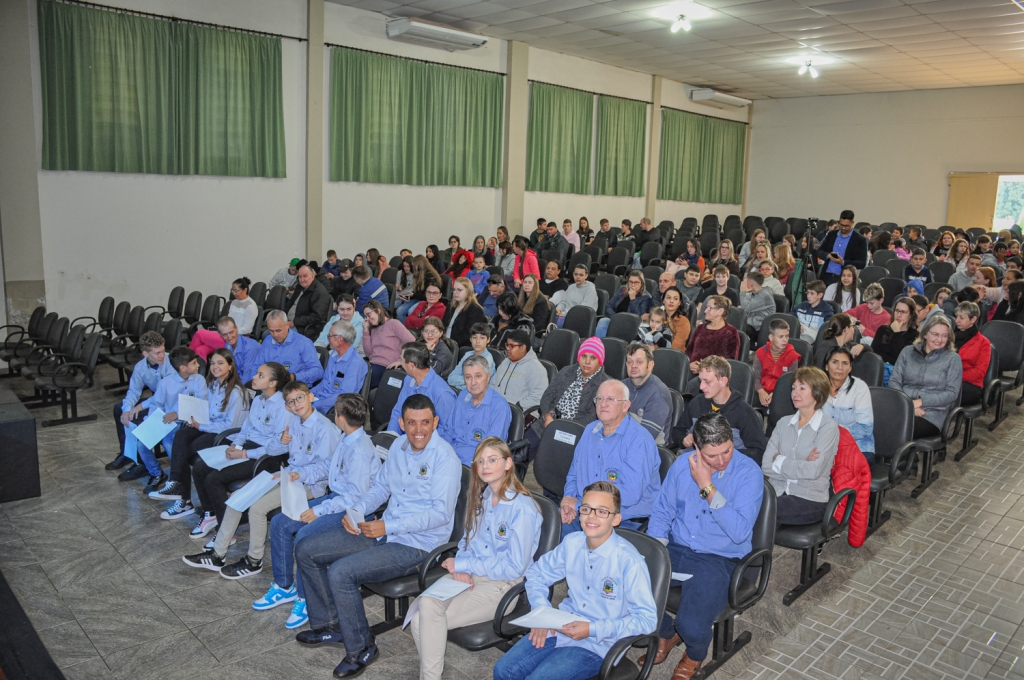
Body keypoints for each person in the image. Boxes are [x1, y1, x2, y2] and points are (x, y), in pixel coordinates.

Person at [293, 395, 461, 679]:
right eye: (411, 423)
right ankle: (330, 625)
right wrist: (357, 511)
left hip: (418, 545)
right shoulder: (398, 446)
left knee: (341, 572)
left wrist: (388, 525)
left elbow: (440, 514)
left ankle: (362, 648)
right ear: (402, 423)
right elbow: (381, 488)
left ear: (435, 422)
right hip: (385, 531)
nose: (418, 430)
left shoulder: (445, 458)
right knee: (306, 549)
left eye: (425, 423)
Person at [492, 482, 657, 680]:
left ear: (616, 519)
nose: (592, 517)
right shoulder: (573, 543)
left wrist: (592, 629)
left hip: (597, 643)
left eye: (602, 511)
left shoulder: (629, 561)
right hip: (560, 626)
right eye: (586, 509)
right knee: (503, 671)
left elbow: (647, 620)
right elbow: (537, 574)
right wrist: (542, 613)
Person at [643, 413, 764, 680]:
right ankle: (666, 632)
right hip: (678, 547)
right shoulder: (680, 465)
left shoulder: (749, 473)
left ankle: (695, 653)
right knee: (630, 584)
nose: (721, 461)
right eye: (712, 456)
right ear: (696, 448)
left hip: (720, 557)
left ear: (732, 442)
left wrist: (707, 487)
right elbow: (662, 511)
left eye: (727, 451)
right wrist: (657, 552)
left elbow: (739, 532)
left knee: (691, 623)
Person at [409, 437, 542, 680]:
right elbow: (467, 540)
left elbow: (514, 567)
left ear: (508, 464)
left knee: (423, 622)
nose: (485, 466)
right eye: (480, 461)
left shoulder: (522, 508)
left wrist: (466, 564)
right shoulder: (483, 498)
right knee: (424, 610)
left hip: (502, 584)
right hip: (471, 573)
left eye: (492, 460)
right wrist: (463, 565)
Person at [183, 380, 340, 577]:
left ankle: (254, 561)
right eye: (291, 402)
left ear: (310, 397)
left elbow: (326, 468)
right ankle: (217, 554)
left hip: (309, 484)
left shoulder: (324, 429)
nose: (296, 404)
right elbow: (272, 450)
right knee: (237, 499)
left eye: (300, 398)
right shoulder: (294, 422)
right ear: (287, 406)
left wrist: (297, 475)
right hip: (288, 475)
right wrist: (280, 440)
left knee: (257, 509)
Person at [256, 394, 381, 630]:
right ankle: (284, 587)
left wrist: (320, 510)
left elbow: (355, 497)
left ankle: (306, 598)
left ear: (340, 418)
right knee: (281, 523)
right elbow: (327, 466)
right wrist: (301, 474)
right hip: (337, 500)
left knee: (305, 535)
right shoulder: (346, 438)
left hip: (350, 510)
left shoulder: (360, 451)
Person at [188, 362, 291, 541]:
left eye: (260, 375)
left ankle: (226, 532)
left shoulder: (282, 407)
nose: (254, 377)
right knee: (199, 468)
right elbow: (245, 429)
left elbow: (278, 446)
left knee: (214, 479)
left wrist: (244, 454)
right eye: (256, 373)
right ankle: (210, 514)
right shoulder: (258, 399)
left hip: (267, 457)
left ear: (273, 383)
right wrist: (236, 445)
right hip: (248, 448)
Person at [150, 349, 251, 518]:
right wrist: (194, 419)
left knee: (186, 450)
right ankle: (174, 483)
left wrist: (201, 425)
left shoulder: (236, 392)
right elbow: (205, 410)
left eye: (220, 363)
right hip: (209, 427)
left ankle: (184, 500)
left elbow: (228, 426)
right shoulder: (213, 385)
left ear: (230, 366)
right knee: (181, 436)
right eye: (212, 363)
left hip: (226, 435)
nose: (215, 366)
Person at [561, 380, 661, 535]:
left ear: (626, 406)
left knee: (587, 545)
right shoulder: (589, 431)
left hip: (623, 520)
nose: (603, 404)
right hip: (584, 511)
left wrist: (581, 505)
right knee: (547, 526)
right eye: (599, 399)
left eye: (610, 399)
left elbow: (630, 494)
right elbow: (574, 474)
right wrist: (568, 499)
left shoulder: (639, 440)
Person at [763, 367, 840, 527]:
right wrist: (803, 462)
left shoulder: (828, 428)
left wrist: (779, 460)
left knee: (761, 510)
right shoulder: (783, 423)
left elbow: (813, 471)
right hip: (778, 490)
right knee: (744, 501)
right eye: (793, 388)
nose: (795, 393)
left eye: (802, 388)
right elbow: (766, 465)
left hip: (809, 497)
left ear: (817, 393)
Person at [121, 347, 207, 491]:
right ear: (183, 368)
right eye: (194, 363)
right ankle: (156, 473)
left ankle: (180, 476)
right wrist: (150, 422)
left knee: (169, 442)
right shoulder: (165, 383)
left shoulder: (199, 380)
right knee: (141, 444)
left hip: (187, 420)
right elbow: (156, 405)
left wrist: (178, 414)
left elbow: (201, 403)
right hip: (165, 421)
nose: (198, 365)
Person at [528, 338, 609, 466]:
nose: (587, 362)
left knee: (554, 463)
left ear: (600, 361)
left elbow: (592, 417)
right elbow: (547, 396)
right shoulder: (566, 371)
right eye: (584, 356)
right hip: (549, 422)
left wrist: (562, 427)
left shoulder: (604, 384)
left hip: (576, 432)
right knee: (523, 448)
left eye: (593, 358)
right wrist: (547, 416)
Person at [674, 355, 767, 464]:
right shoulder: (697, 403)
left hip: (726, 467)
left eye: (707, 382)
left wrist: (725, 454)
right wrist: (683, 439)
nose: (701, 387)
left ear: (723, 381)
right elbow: (677, 431)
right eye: (700, 381)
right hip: (694, 462)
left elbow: (759, 452)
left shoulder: (744, 412)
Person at [107, 330, 173, 472]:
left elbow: (166, 393)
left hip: (171, 403)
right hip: (156, 401)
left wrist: (140, 407)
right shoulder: (140, 367)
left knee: (138, 416)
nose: (162, 355)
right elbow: (134, 391)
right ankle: (126, 453)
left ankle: (142, 463)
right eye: (157, 353)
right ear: (145, 354)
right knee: (119, 408)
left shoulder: (171, 362)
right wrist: (127, 410)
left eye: (163, 351)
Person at [889, 315, 962, 439]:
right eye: (935, 334)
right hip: (902, 405)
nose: (939, 339)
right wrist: (909, 404)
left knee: (898, 427)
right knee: (877, 421)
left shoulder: (953, 359)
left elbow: (951, 393)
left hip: (931, 413)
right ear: (925, 334)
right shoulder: (907, 352)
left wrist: (920, 402)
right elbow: (894, 381)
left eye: (944, 336)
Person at [440, 355, 512, 465]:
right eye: (468, 377)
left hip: (475, 464)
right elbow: (448, 432)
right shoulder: (462, 396)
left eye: (478, 376)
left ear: (488, 377)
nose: (473, 382)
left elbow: (492, 449)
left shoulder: (499, 406)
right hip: (450, 458)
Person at [387, 342, 456, 434]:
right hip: (407, 436)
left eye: (402, 360)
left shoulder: (442, 393)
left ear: (411, 365)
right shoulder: (409, 379)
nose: (401, 363)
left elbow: (447, 430)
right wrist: (391, 435)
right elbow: (398, 411)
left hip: (427, 439)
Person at [822, 347, 875, 464]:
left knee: (836, 465)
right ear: (826, 366)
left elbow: (865, 428)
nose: (840, 367)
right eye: (835, 362)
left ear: (850, 368)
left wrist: (833, 432)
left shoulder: (860, 388)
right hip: (825, 445)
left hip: (858, 446)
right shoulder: (818, 387)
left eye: (845, 363)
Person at [311, 320, 367, 416]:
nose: (328, 339)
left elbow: (344, 396)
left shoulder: (355, 363)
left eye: (330, 336)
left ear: (340, 339)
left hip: (335, 408)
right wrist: (307, 393)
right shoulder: (333, 355)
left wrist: (316, 404)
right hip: (321, 400)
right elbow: (325, 382)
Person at [254, 310, 322, 384]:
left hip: (294, 385)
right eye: (271, 331)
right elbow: (257, 365)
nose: (275, 335)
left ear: (287, 325)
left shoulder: (303, 343)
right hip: (269, 384)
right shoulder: (268, 340)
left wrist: (294, 377)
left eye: (278, 330)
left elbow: (318, 371)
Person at [625, 343, 672, 445]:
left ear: (650, 365)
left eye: (639, 362)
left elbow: (644, 438)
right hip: (623, 442)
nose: (633, 366)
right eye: (629, 362)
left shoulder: (659, 394)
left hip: (650, 449)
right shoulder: (621, 387)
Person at [490, 328, 549, 411]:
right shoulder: (505, 362)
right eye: (507, 345)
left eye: (511, 346)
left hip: (520, 412)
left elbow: (539, 397)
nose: (507, 349)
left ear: (522, 348)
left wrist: (518, 406)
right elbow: (493, 384)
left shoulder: (536, 368)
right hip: (497, 408)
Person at [362, 301, 415, 388]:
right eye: (365, 316)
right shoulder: (373, 329)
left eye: (369, 315)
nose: (367, 319)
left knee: (362, 380)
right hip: (373, 365)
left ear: (378, 311)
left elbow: (411, 342)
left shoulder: (394, 323)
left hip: (387, 366)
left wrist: (401, 361)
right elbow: (369, 354)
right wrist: (366, 331)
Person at [754, 319, 801, 408]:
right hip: (761, 390)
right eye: (781, 337)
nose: (785, 340)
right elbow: (756, 377)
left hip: (781, 393)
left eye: (787, 336)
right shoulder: (760, 353)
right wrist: (761, 391)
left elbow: (790, 382)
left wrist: (775, 394)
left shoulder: (792, 356)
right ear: (771, 337)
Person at [686, 296, 741, 372]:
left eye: (709, 308)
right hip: (691, 370)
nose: (705, 311)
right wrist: (690, 364)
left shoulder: (730, 332)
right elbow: (689, 351)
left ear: (720, 311)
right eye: (706, 307)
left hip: (714, 374)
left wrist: (703, 369)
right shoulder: (700, 328)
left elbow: (729, 362)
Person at [872, 297, 919, 385]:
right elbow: (874, 353)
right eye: (897, 311)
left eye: (903, 312)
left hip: (897, 373)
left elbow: (902, 358)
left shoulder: (915, 336)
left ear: (910, 315)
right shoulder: (883, 330)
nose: (898, 315)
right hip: (879, 368)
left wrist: (897, 333)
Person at [954, 301, 991, 407]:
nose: (957, 320)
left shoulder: (983, 343)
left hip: (970, 384)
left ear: (973, 319)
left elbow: (979, 372)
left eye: (961, 318)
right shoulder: (949, 336)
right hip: (947, 380)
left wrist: (954, 376)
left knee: (947, 394)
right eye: (956, 317)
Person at [817, 210, 869, 287]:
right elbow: (819, 251)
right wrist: (828, 255)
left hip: (844, 279)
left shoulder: (860, 240)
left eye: (846, 226)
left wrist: (843, 262)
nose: (843, 228)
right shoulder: (832, 234)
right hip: (826, 276)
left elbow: (862, 263)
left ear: (852, 223)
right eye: (841, 225)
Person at [597, 270, 653, 337]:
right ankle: (598, 342)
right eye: (630, 282)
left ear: (642, 283)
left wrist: (633, 299)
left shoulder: (646, 297)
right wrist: (615, 318)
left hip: (630, 324)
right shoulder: (622, 290)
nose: (632, 285)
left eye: (636, 282)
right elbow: (609, 305)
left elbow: (639, 317)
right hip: (615, 319)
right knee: (603, 321)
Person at [285, 265, 332, 340]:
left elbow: (317, 317)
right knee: (268, 333)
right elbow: (290, 303)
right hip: (288, 322)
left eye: (305, 276)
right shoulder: (299, 287)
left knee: (279, 336)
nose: (302, 280)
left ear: (312, 276)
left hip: (304, 328)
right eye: (300, 277)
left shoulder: (319, 292)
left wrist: (294, 322)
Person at [442, 277, 488, 349]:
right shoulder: (451, 305)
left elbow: (468, 334)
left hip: (460, 347)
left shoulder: (475, 310)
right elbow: (443, 324)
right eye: (454, 289)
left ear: (468, 292)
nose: (455, 292)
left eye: (459, 290)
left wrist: (449, 344)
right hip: (445, 343)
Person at [448, 323, 495, 390]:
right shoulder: (467, 354)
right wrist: (468, 380)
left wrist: (461, 381)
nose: (477, 341)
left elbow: (477, 385)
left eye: (482, 338)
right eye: (474, 337)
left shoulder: (487, 359)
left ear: (488, 340)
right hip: (461, 390)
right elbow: (451, 378)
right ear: (470, 339)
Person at [738, 271, 775, 341]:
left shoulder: (764, 295)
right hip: (751, 323)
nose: (742, 283)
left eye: (744, 282)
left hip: (758, 328)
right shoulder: (754, 293)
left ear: (750, 283)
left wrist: (742, 292)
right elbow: (746, 306)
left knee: (737, 327)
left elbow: (746, 308)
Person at [661, 286, 692, 351]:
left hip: (673, 354)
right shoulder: (656, 317)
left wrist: (652, 348)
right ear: (663, 300)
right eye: (668, 298)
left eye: (675, 299)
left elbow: (676, 346)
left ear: (679, 303)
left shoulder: (683, 321)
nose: (671, 301)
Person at [392, 257, 416, 322]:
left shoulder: (415, 275)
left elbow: (411, 290)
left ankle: (405, 326)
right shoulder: (399, 273)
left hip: (409, 297)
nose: (406, 268)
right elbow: (397, 287)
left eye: (408, 266)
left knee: (399, 310)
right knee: (389, 305)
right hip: (399, 296)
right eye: (404, 266)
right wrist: (398, 290)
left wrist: (401, 294)